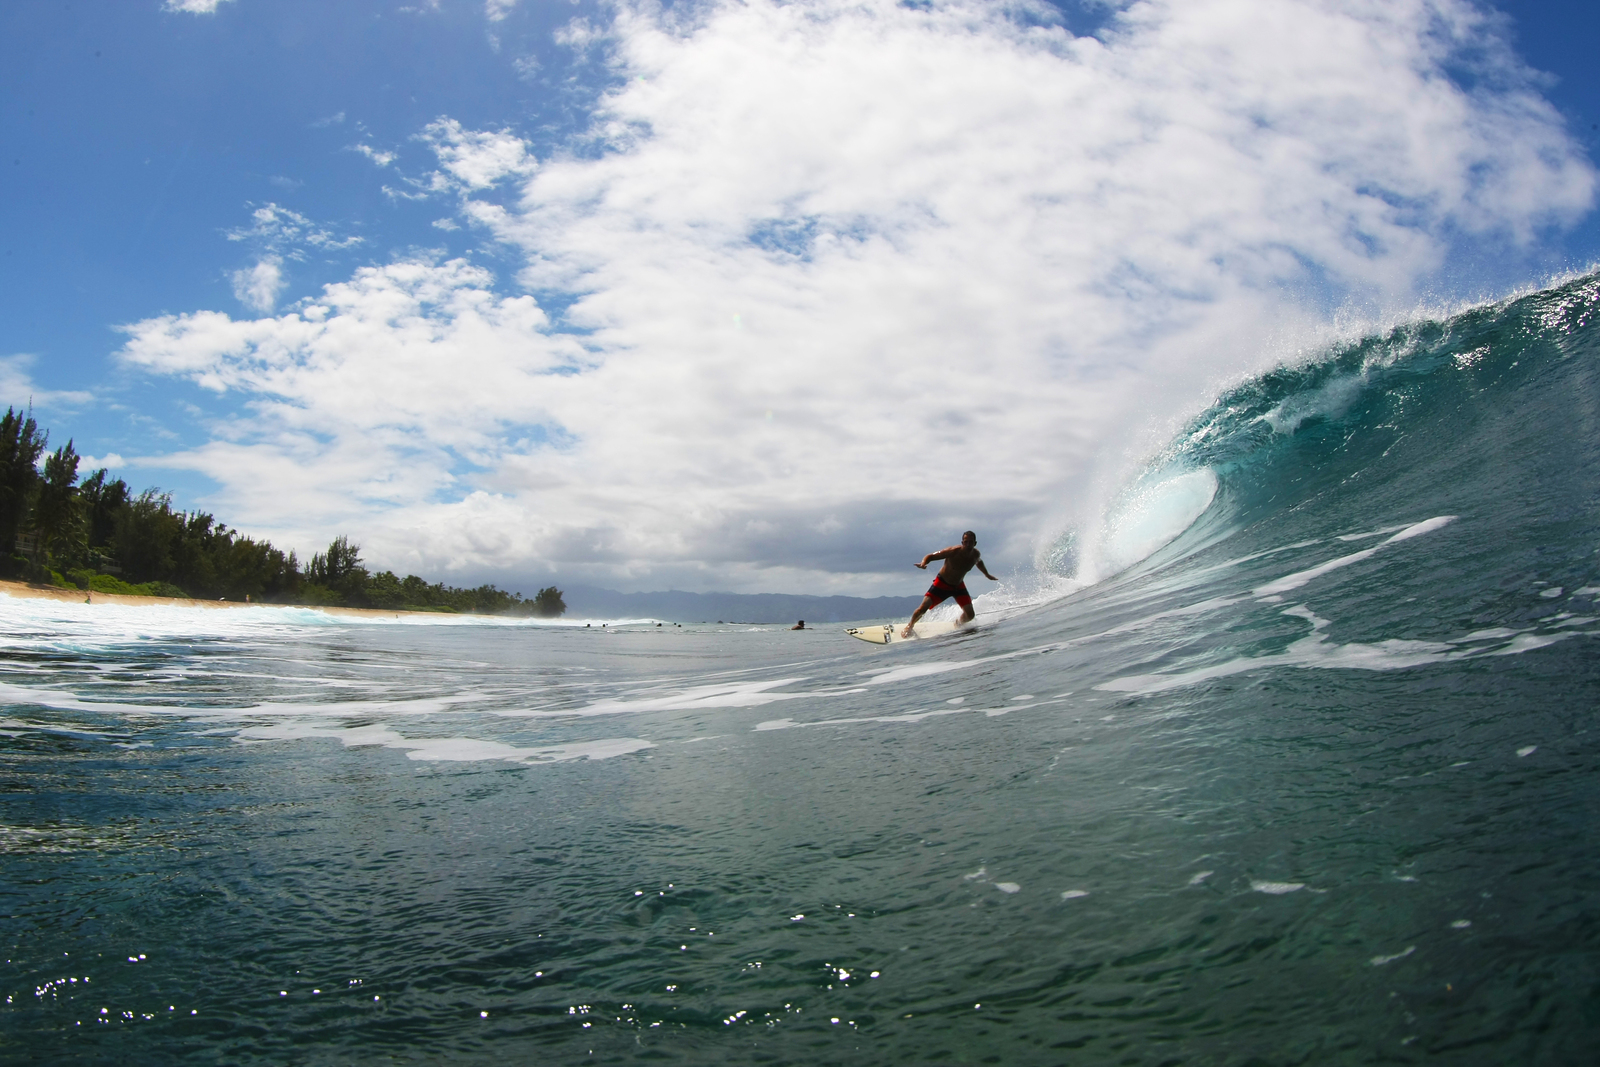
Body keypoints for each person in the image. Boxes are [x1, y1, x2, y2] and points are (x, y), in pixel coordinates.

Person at [902, 530, 998, 638]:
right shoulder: (953, 551)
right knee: (922, 609)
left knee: (970, 615)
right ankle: (909, 626)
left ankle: (958, 624)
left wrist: (987, 574)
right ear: (962, 542)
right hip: (941, 584)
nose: (968, 545)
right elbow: (931, 556)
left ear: (975, 543)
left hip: (958, 586)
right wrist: (923, 563)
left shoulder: (975, 554)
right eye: (966, 542)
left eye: (971, 542)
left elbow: (978, 562)